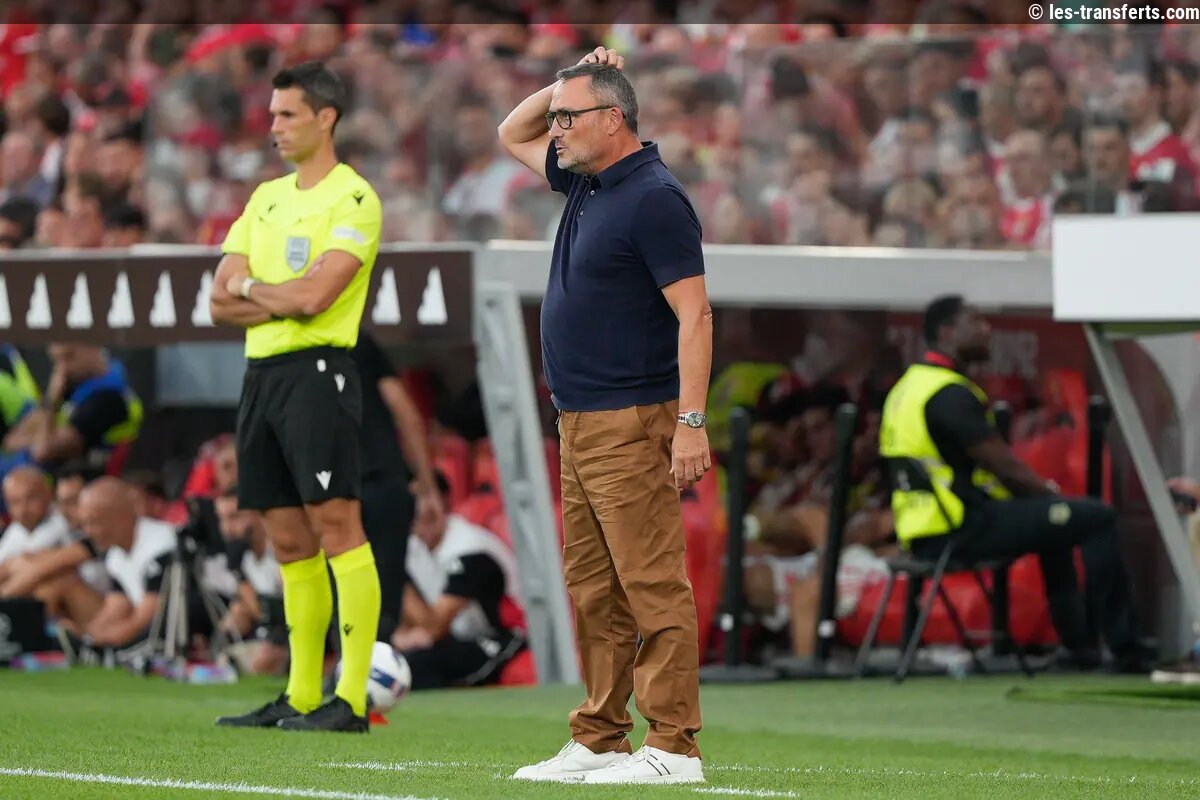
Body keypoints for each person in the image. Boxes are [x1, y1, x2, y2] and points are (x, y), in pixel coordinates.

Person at [499, 46, 711, 784]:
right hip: (580, 420)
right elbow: (511, 130)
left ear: (613, 119)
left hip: (632, 418)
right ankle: (600, 735)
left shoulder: (653, 197)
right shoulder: (587, 180)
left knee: (650, 584)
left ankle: (674, 746)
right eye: (555, 116)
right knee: (594, 588)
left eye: (568, 117)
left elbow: (695, 315)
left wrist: (691, 422)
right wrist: (567, 75)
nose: (553, 128)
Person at [209, 61, 384, 733]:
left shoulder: (354, 198)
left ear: (325, 117)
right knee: (285, 537)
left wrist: (254, 288)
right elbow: (218, 301)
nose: (274, 127)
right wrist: (273, 294)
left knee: (337, 524)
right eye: (272, 115)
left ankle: (353, 699)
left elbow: (317, 297)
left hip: (318, 373)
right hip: (261, 375)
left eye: (287, 114)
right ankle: (302, 694)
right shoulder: (265, 198)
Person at [879, 295, 1144, 671]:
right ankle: (1125, 649)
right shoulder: (947, 393)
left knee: (1054, 523)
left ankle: (1078, 647)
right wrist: (1050, 495)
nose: (986, 329)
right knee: (1097, 517)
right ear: (947, 333)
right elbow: (1004, 467)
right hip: (961, 528)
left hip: (923, 530)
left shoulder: (908, 388)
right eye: (975, 322)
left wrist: (1046, 504)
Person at [351, 330, 442, 642]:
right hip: (383, 485)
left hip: (332, 488)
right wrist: (428, 487)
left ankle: (353, 662)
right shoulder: (359, 341)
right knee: (386, 592)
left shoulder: (298, 343)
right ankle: (375, 656)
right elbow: (405, 411)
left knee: (342, 592)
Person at [394, 472, 524, 690]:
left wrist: (389, 566)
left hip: (505, 639)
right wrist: (403, 636)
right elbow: (412, 621)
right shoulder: (414, 549)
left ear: (444, 501)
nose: (418, 508)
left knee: (417, 665)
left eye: (424, 496)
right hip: (458, 639)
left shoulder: (471, 548)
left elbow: (435, 627)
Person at [37, 477, 175, 651]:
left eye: (94, 522)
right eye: (85, 523)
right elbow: (116, 606)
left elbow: (147, 620)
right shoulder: (115, 556)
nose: (88, 532)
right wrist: (85, 634)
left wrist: (92, 641)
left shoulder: (162, 545)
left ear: (121, 517)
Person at [1, 343, 142, 475]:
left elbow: (43, 450)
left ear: (91, 347)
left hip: (90, 480)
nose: (62, 369)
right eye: (56, 361)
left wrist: (52, 399)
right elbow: (12, 441)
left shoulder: (106, 398)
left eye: (68, 357)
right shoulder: (74, 387)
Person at [213, 488, 286, 676]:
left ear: (257, 514)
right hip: (270, 632)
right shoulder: (245, 557)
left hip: (296, 633)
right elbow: (258, 611)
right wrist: (239, 575)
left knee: (262, 662)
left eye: (234, 517)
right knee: (236, 614)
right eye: (222, 519)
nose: (227, 528)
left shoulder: (280, 549)